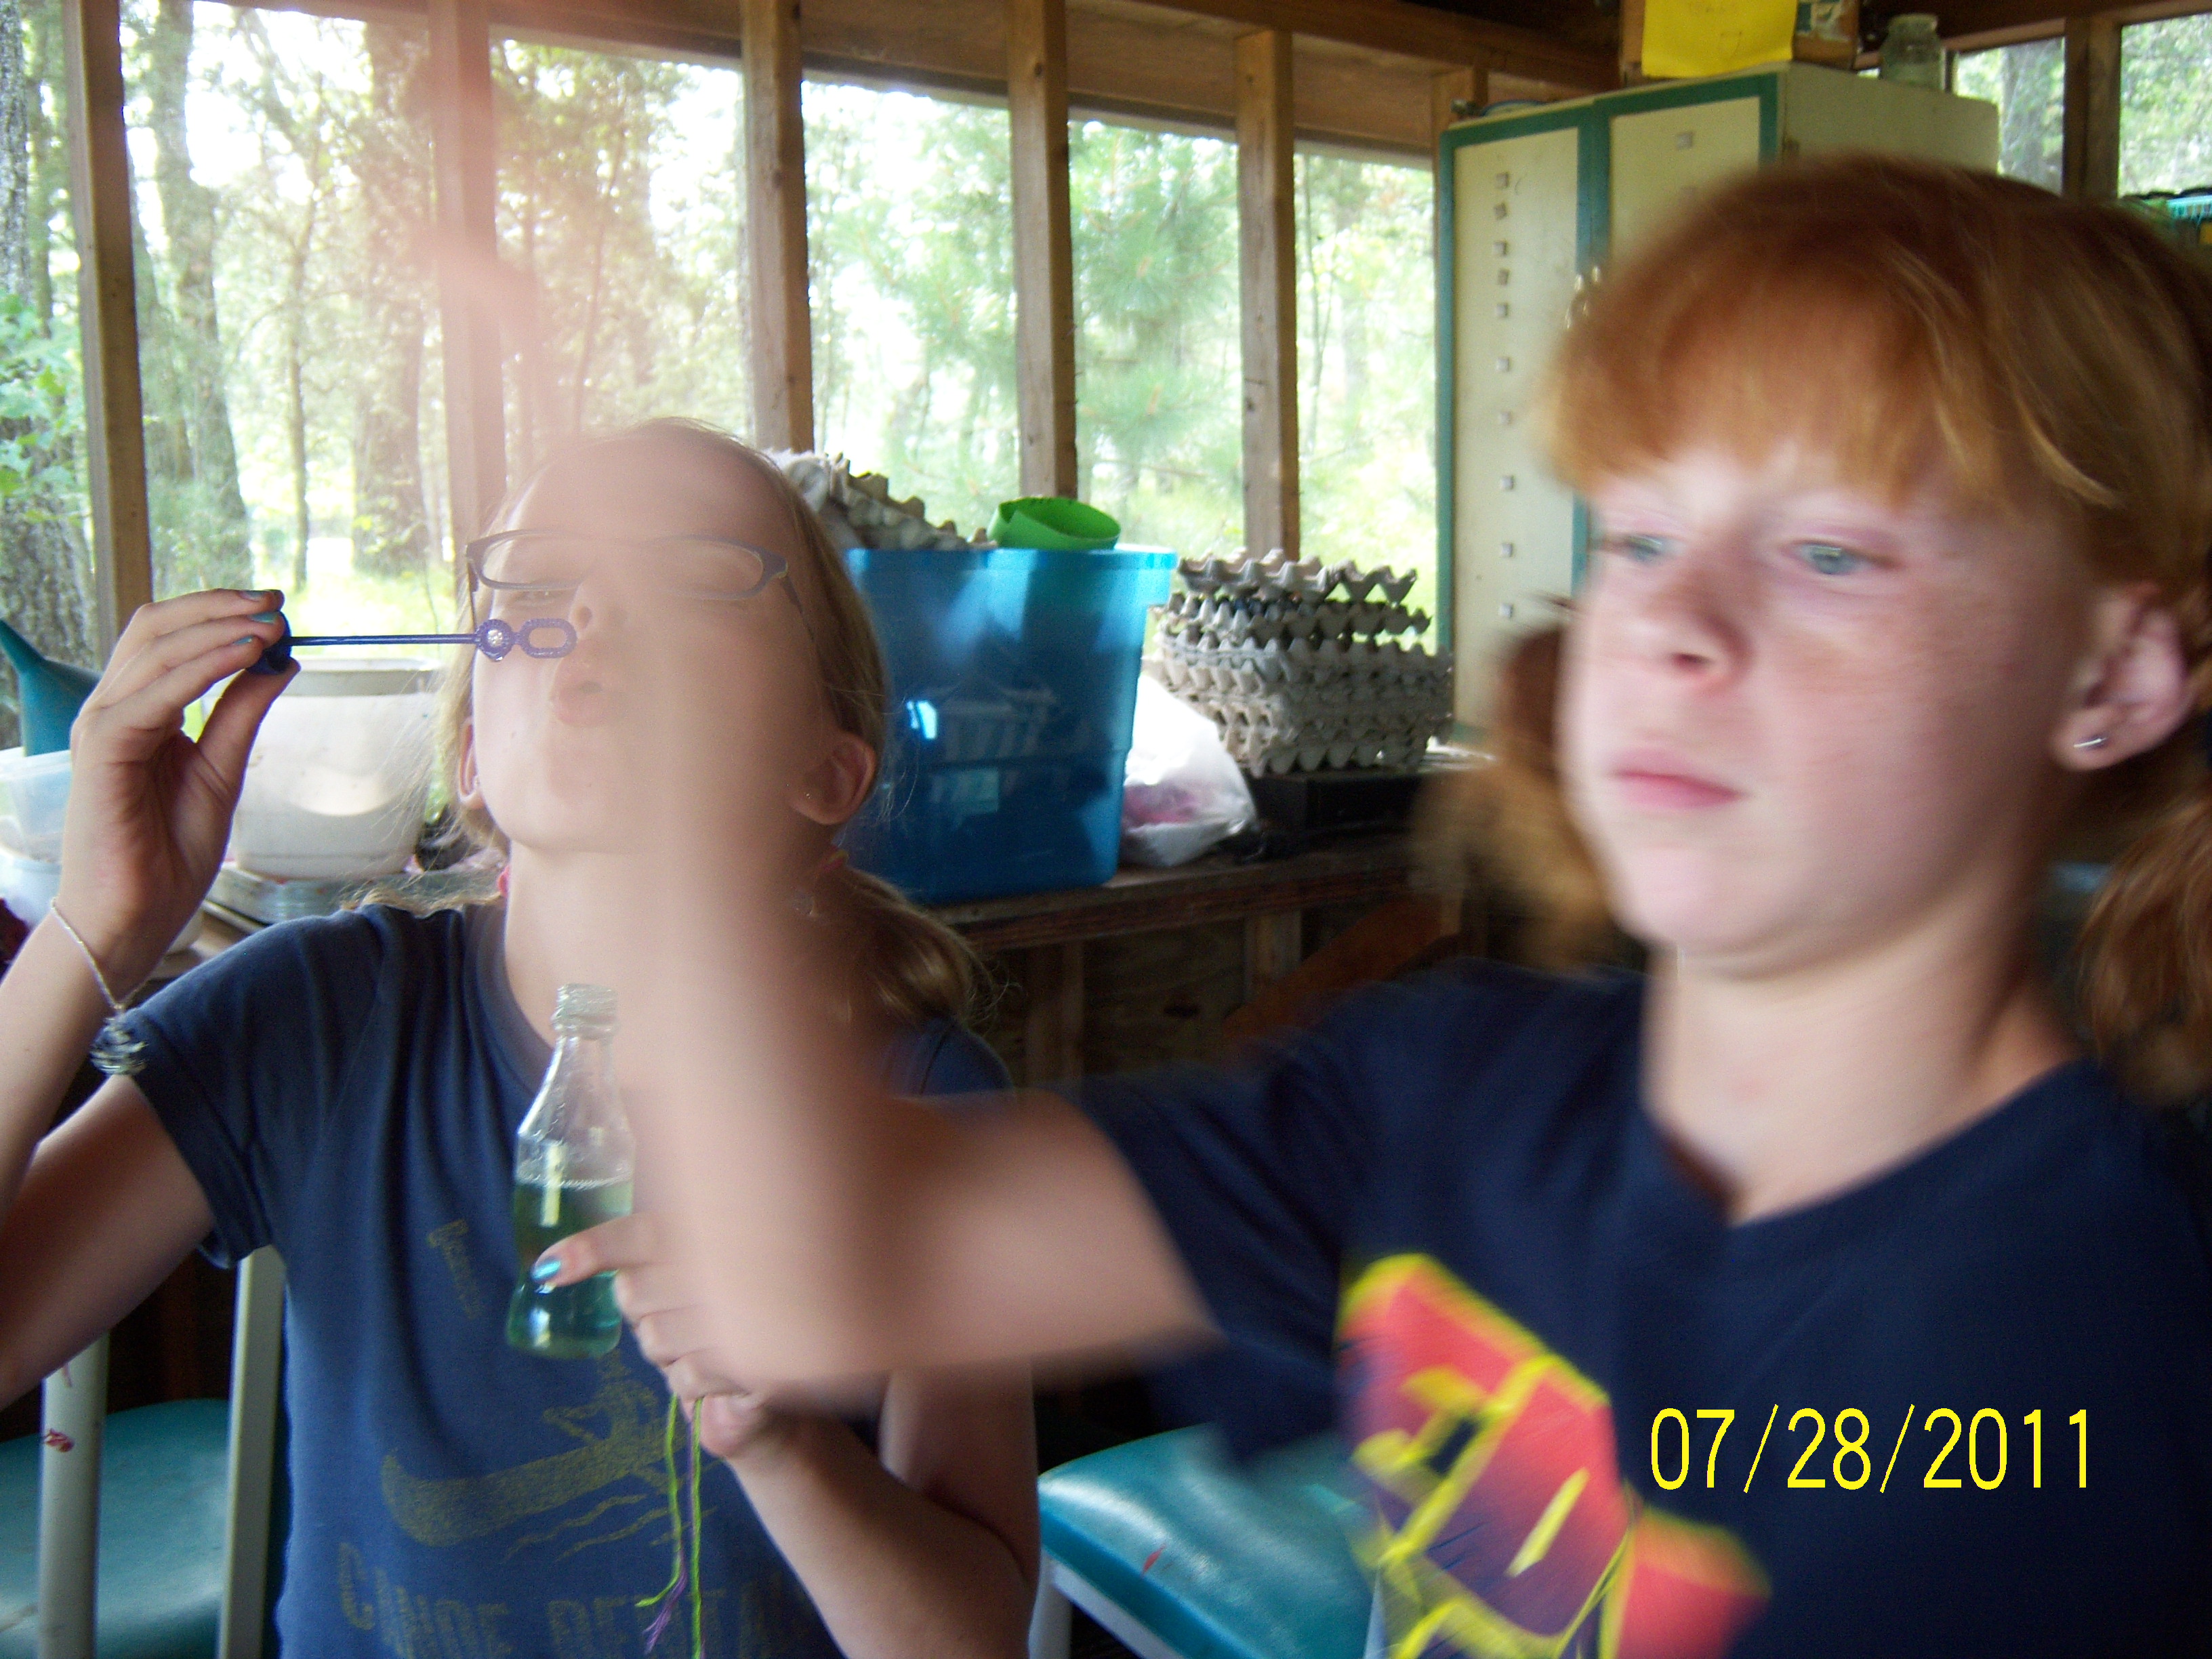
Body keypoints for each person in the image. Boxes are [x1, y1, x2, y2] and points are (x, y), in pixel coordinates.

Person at [548, 159, 2212, 1658]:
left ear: (2114, 673)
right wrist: (681, 736)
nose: (1669, 626)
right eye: (1640, 538)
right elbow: (830, 1265)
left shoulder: (2131, 1343)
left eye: (1832, 553)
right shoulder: (1452, 1095)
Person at [0, 421, 1038, 1658]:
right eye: (539, 585)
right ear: (474, 758)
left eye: (697, 578)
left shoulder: (924, 1106)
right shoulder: (316, 1022)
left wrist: (778, 1439)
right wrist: (94, 926)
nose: (593, 615)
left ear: (825, 767)